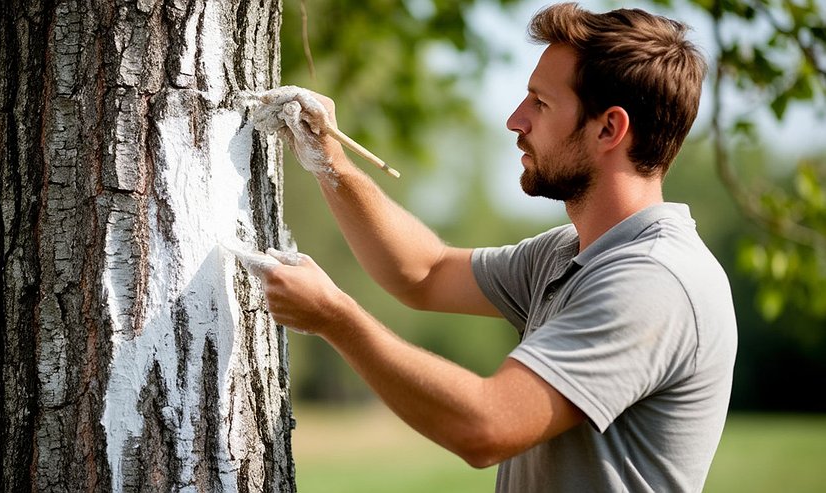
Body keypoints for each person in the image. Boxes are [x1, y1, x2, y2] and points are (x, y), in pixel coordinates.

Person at [249, 2, 737, 491]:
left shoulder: (653, 282)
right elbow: (424, 272)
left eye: (540, 104)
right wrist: (330, 160)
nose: (514, 120)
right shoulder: (569, 253)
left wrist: (336, 318)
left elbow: (485, 427)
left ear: (609, 128)